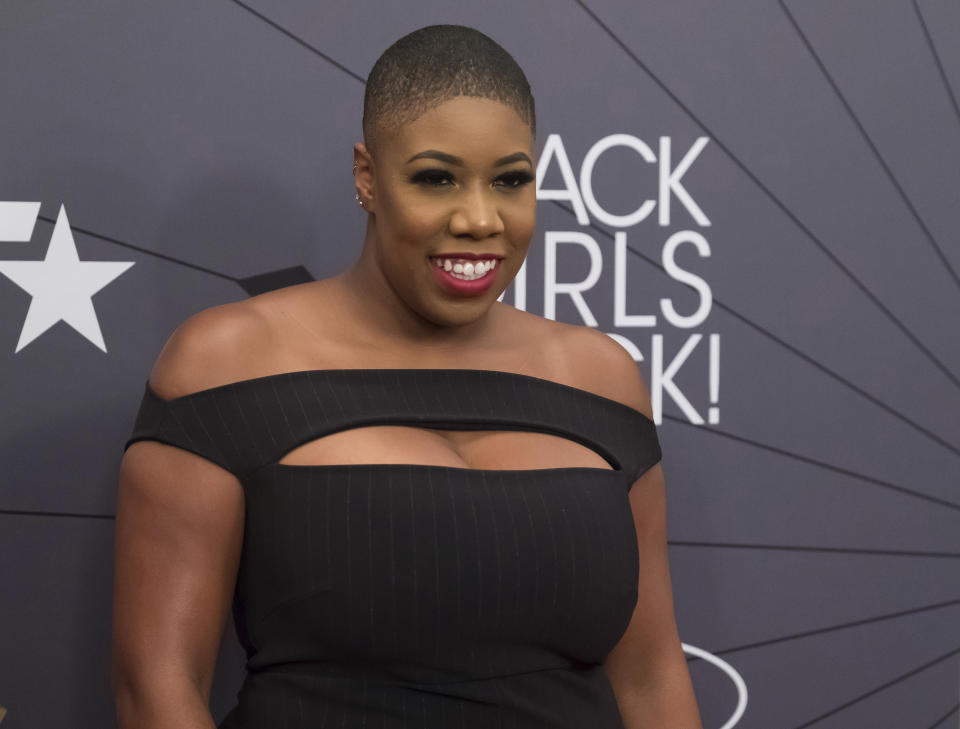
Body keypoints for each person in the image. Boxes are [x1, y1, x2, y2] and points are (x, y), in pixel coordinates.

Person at [112, 24, 702, 729]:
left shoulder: (602, 378)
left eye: (510, 181)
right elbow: (157, 686)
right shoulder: (227, 361)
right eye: (436, 177)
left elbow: (651, 677)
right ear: (368, 175)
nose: (479, 218)